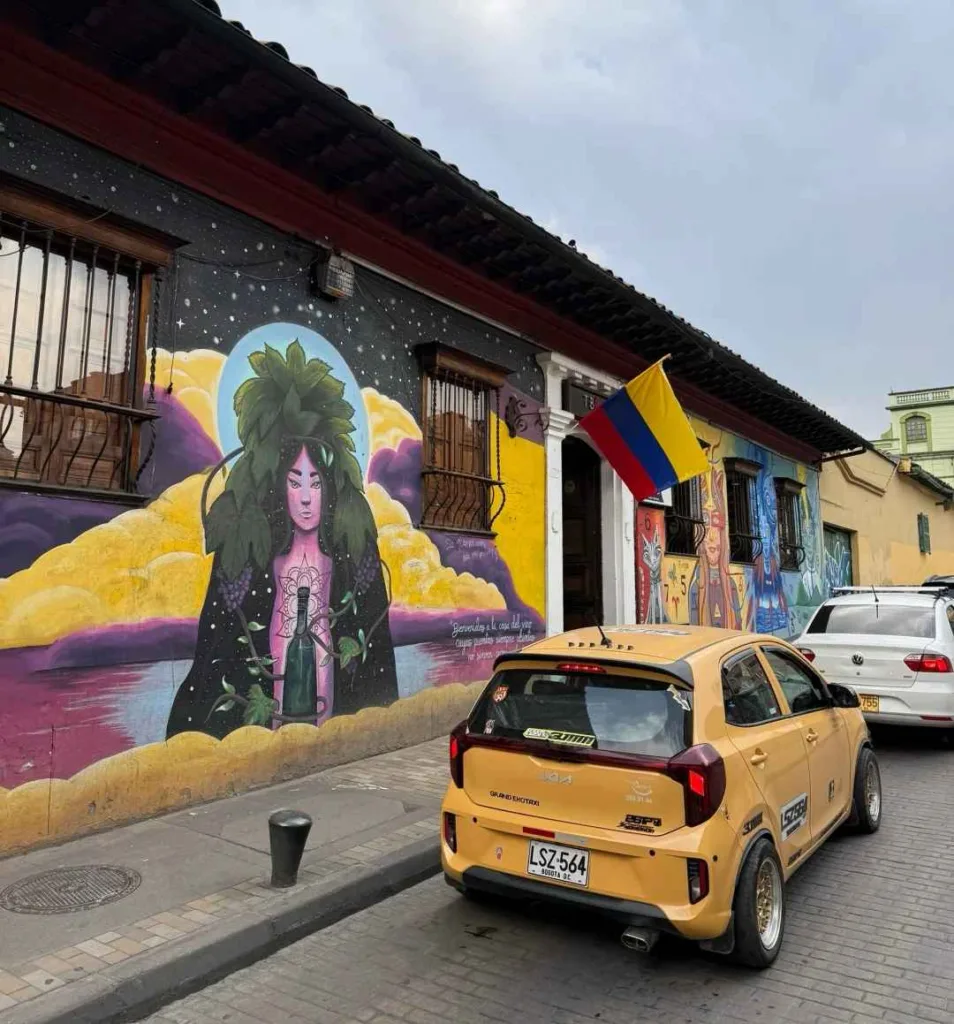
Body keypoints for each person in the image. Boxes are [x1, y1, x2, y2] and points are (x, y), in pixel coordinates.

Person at [166, 340, 397, 740]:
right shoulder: (248, 553)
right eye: (294, 481)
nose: (306, 497)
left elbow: (373, 654)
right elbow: (216, 654)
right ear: (277, 485)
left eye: (315, 482)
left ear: (330, 487)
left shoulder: (351, 552)